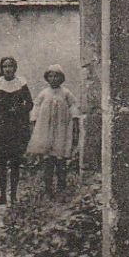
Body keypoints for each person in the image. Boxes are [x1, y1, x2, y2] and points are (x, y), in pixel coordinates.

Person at [0, 56, 33, 205]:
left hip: (17, 127)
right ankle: (2, 195)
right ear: (1, 68)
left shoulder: (21, 83)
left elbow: (30, 103)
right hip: (1, 127)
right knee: (1, 161)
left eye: (10, 66)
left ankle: (13, 196)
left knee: (15, 162)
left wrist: (19, 109)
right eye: (5, 66)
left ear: (15, 68)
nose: (8, 69)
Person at [28, 65, 81, 195]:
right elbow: (37, 105)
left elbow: (73, 105)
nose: (53, 79)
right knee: (48, 160)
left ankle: (61, 187)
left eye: (56, 76)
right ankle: (48, 188)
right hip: (46, 129)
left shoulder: (66, 93)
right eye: (50, 76)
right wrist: (34, 119)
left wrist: (74, 118)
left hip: (60, 129)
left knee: (60, 159)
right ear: (47, 78)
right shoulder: (44, 93)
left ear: (61, 78)